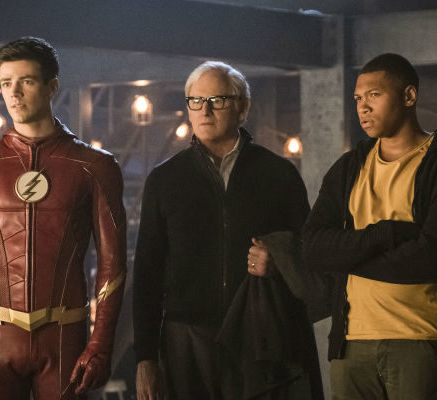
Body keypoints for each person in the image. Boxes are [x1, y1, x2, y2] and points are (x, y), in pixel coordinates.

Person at [0, 37, 126, 399]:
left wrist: (100, 345)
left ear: (52, 87)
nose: (14, 93)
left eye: (26, 81)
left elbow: (113, 264)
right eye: (6, 83)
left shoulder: (94, 166)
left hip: (64, 332)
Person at [302, 53, 437, 399]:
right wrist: (385, 234)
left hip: (423, 340)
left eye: (374, 95)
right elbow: (313, 247)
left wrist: (347, 257)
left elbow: (432, 257)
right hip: (351, 345)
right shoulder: (349, 168)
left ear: (409, 96)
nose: (363, 107)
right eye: (357, 98)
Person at [133, 61, 321, 400]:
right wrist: (145, 357)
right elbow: (147, 273)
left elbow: (313, 251)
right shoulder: (165, 180)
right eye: (196, 101)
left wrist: (279, 259)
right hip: (186, 341)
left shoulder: (278, 175)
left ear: (242, 107)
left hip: (259, 339)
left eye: (217, 100)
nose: (205, 111)